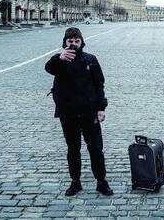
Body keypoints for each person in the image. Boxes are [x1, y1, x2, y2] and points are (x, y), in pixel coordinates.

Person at [44, 27, 113, 197]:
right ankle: (75, 182)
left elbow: (99, 85)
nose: (73, 44)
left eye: (76, 41)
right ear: (64, 43)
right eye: (70, 41)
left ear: (82, 42)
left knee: (96, 148)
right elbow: (49, 68)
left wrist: (101, 108)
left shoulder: (90, 59)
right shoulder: (58, 60)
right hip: (68, 112)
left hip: (89, 111)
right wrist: (60, 58)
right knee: (73, 148)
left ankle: (101, 182)